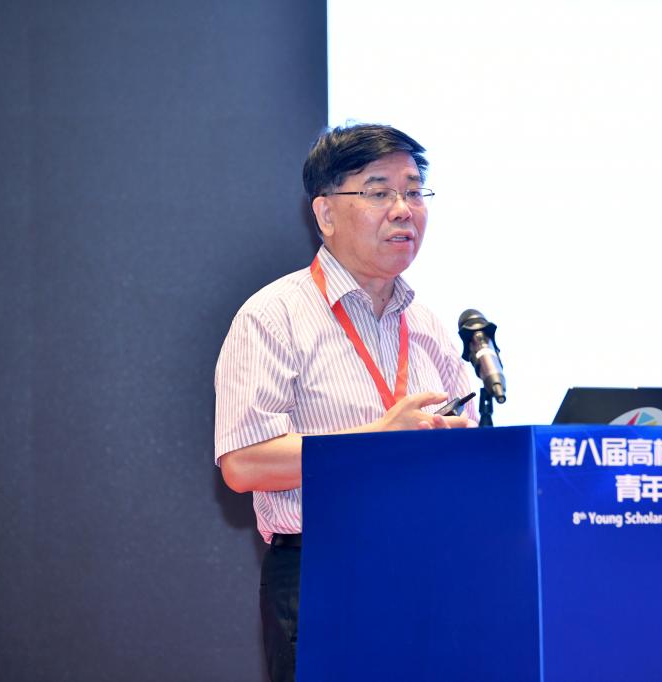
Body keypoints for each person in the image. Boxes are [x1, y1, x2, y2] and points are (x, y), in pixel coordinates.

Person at [214, 123, 478, 682]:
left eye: (414, 191)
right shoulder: (274, 316)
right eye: (380, 192)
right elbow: (243, 463)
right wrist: (375, 441)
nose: (403, 209)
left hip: (431, 568)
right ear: (326, 213)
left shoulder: (428, 327)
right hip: (324, 571)